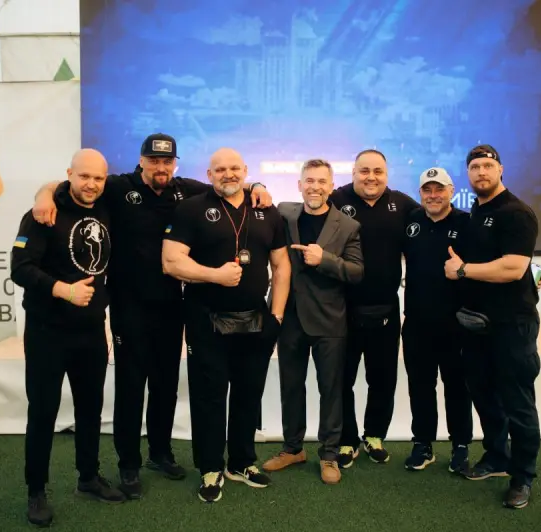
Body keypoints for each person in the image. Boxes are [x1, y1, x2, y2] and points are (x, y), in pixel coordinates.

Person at [31, 134, 272, 499]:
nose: (161, 167)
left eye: (167, 161)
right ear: (141, 161)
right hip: (129, 306)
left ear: (174, 163)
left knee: (165, 385)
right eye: (154, 160)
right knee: (131, 386)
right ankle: (129, 464)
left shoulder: (184, 190)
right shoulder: (117, 187)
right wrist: (43, 195)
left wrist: (258, 186)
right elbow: (65, 185)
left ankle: (160, 453)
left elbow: (227, 183)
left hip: (172, 305)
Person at [161, 147, 290, 503]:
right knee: (210, 397)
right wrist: (214, 275)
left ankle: (242, 462)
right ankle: (210, 468)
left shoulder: (267, 210)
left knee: (249, 394)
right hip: (206, 321)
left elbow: (281, 266)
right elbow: (171, 262)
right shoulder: (191, 209)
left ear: (246, 170)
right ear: (209, 174)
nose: (228, 174)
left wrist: (277, 314)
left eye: (234, 168)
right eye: (220, 169)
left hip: (256, 321)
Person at [11, 149, 126, 528]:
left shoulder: (106, 205)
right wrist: (63, 290)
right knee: (43, 411)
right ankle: (36, 491)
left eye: (98, 178)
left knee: (90, 409)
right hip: (47, 331)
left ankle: (88, 478)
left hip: (91, 330)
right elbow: (20, 268)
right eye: (84, 176)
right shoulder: (42, 213)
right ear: (69, 175)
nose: (91, 184)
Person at [444, 144, 541, 510]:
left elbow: (513, 268)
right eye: (475, 167)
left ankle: (523, 476)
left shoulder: (517, 213)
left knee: (518, 402)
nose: (481, 172)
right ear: (468, 174)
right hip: (477, 326)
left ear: (500, 169)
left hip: (512, 326)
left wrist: (463, 271)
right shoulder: (475, 213)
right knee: (484, 396)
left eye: (487, 165)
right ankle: (497, 457)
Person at [260, 159, 364, 484]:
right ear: (299, 185)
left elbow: (357, 272)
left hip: (329, 321)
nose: (315, 187)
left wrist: (325, 259)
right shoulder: (285, 212)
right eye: (309, 181)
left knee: (331, 391)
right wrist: (257, 186)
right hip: (289, 318)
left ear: (331, 186)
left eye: (321, 181)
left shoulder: (348, 226)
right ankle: (293, 448)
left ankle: (329, 454)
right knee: (290, 387)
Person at [331, 149, 420, 468]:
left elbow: (435, 229)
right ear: (353, 172)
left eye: (378, 171)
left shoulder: (404, 205)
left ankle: (374, 435)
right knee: (342, 380)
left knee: (382, 379)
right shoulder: (335, 199)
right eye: (364, 171)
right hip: (343, 309)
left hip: (386, 309)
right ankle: (346, 440)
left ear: (387, 174)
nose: (371, 177)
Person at [401, 167, 473, 474]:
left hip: (455, 324)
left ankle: (461, 445)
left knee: (457, 387)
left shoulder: (467, 223)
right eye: (427, 190)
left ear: (451, 191)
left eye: (439, 189)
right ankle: (423, 444)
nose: (433, 195)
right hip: (416, 322)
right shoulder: (410, 221)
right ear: (420, 194)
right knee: (420, 387)